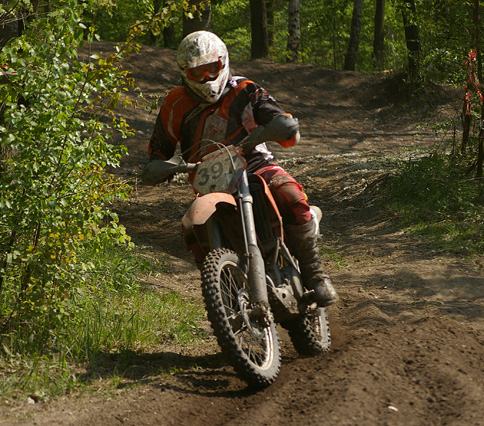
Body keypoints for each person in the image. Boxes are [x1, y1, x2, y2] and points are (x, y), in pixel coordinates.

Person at [143, 31, 337, 307]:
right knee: (192, 228)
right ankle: (223, 294)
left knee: (290, 193)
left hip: (255, 165)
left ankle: (315, 274)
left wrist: (274, 129)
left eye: (212, 68)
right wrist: (159, 166)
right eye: (198, 72)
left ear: (223, 63)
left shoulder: (245, 89)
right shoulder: (174, 103)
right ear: (185, 72)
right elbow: (158, 150)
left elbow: (282, 123)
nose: (207, 78)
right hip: (209, 181)